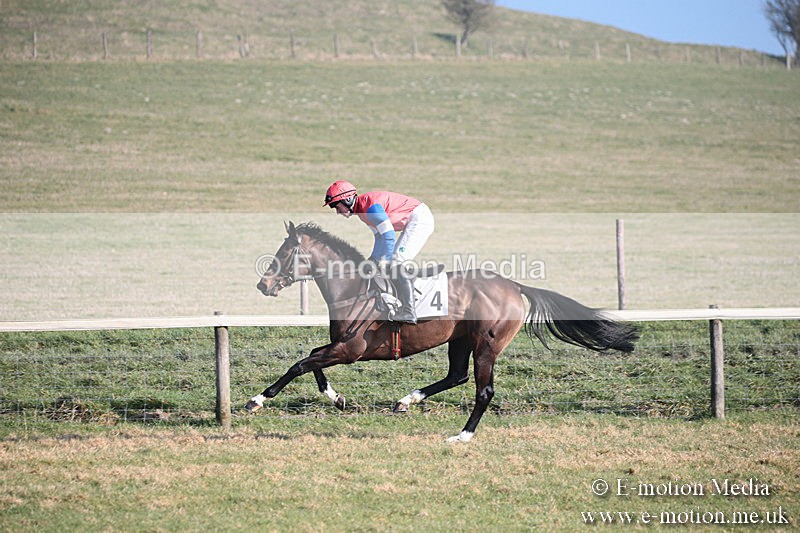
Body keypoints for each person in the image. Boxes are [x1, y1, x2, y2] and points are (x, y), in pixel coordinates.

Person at [324, 180, 434, 324]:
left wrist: (383, 262)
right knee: (390, 262)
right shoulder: (362, 212)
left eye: (336, 206)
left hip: (419, 219)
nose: (338, 212)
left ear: (347, 200)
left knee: (397, 262)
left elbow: (388, 236)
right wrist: (373, 259)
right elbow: (379, 237)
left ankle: (409, 311)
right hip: (411, 220)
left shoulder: (371, 209)